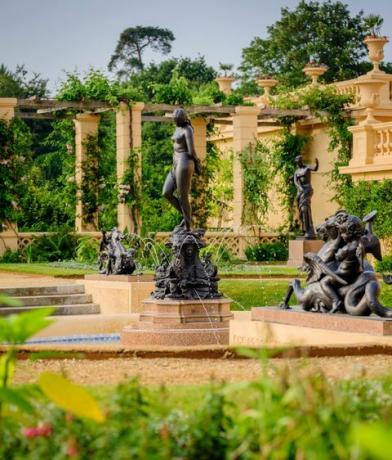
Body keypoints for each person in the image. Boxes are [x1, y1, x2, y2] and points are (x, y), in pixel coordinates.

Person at [162, 108, 201, 231]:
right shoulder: (178, 128)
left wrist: (197, 163)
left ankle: (188, 227)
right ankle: (186, 217)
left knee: (182, 195)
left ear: (181, 119)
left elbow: (191, 151)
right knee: (166, 193)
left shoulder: (188, 129)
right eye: (174, 119)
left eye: (176, 119)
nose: (174, 121)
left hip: (184, 163)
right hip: (176, 163)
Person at [293, 155, 319, 239]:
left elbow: (315, 168)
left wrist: (317, 163)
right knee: (301, 210)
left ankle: (309, 230)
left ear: (301, 161)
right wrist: (299, 187)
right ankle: (304, 230)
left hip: (307, 190)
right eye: (297, 163)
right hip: (300, 192)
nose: (298, 164)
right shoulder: (296, 171)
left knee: (305, 209)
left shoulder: (307, 168)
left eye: (299, 162)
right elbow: (295, 181)